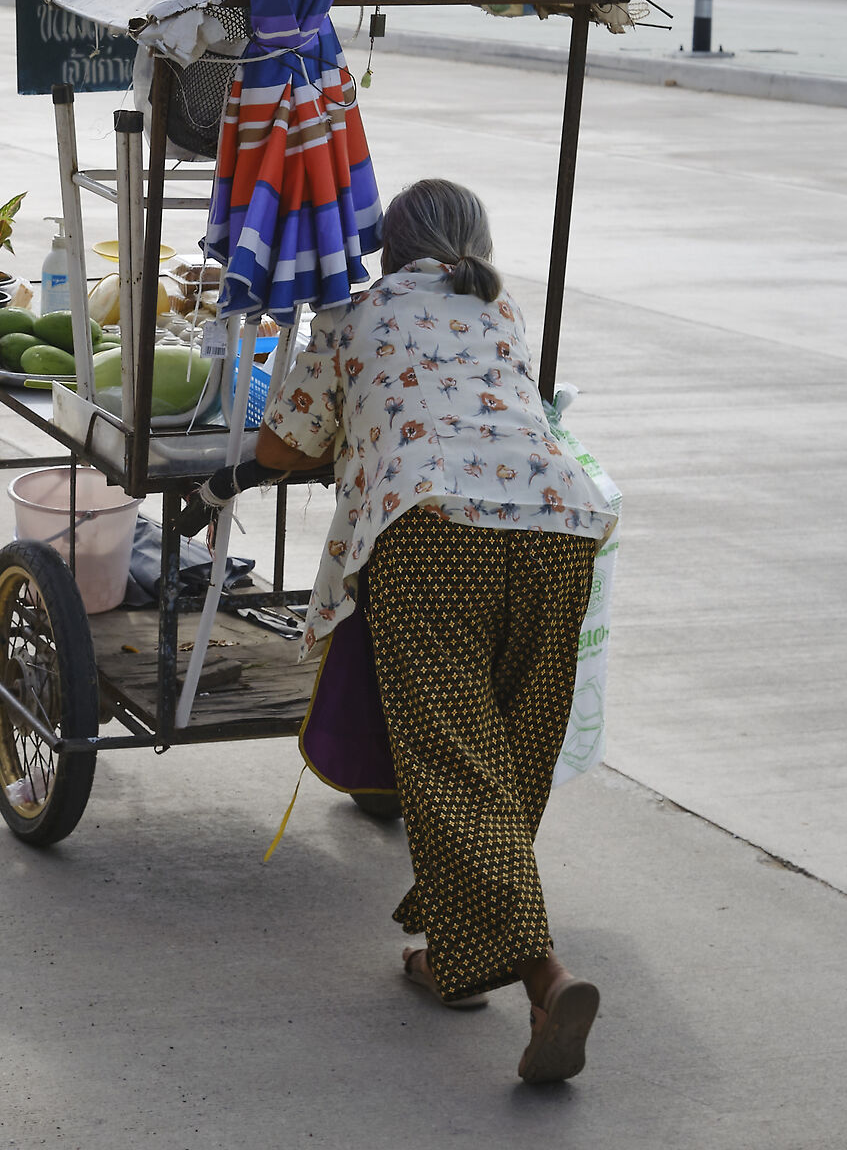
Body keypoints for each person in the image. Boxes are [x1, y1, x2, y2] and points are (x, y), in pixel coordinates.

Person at [194, 178, 617, 1083]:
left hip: (437, 531)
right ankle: (457, 955)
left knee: (456, 759)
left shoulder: (354, 312)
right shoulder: (495, 306)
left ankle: (544, 976)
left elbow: (288, 443)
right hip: (561, 529)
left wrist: (249, 467)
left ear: (390, 244)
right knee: (506, 754)